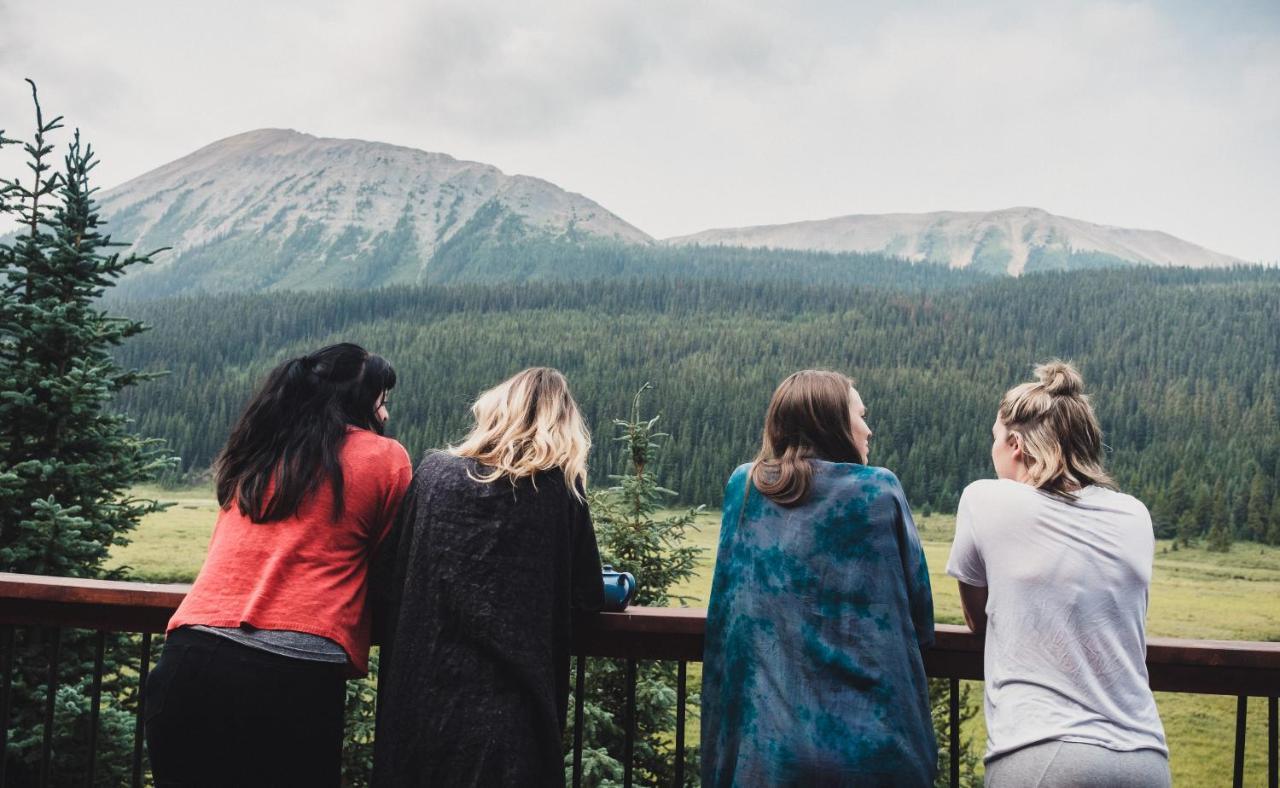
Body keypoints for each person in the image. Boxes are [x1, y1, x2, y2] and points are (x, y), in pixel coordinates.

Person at [145, 343, 412, 787]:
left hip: (187, 660)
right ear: (362, 402)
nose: (385, 415)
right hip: (291, 674)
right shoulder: (385, 458)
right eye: (382, 401)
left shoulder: (260, 449)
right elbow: (393, 567)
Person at [701, 370, 937, 787]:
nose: (868, 428)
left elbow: (724, 612)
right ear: (832, 423)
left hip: (767, 754)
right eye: (859, 415)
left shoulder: (746, 486)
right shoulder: (879, 490)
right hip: (873, 753)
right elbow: (921, 616)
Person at [371, 367, 605, 787]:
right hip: (511, 717)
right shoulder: (559, 489)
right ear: (563, 425)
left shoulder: (432, 474)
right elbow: (587, 594)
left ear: (494, 410)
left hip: (420, 704)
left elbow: (389, 574)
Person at [946, 360, 1170, 787]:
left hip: (1041, 752)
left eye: (994, 439)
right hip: (1144, 757)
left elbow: (978, 618)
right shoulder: (1134, 513)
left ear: (1015, 444)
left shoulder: (985, 499)